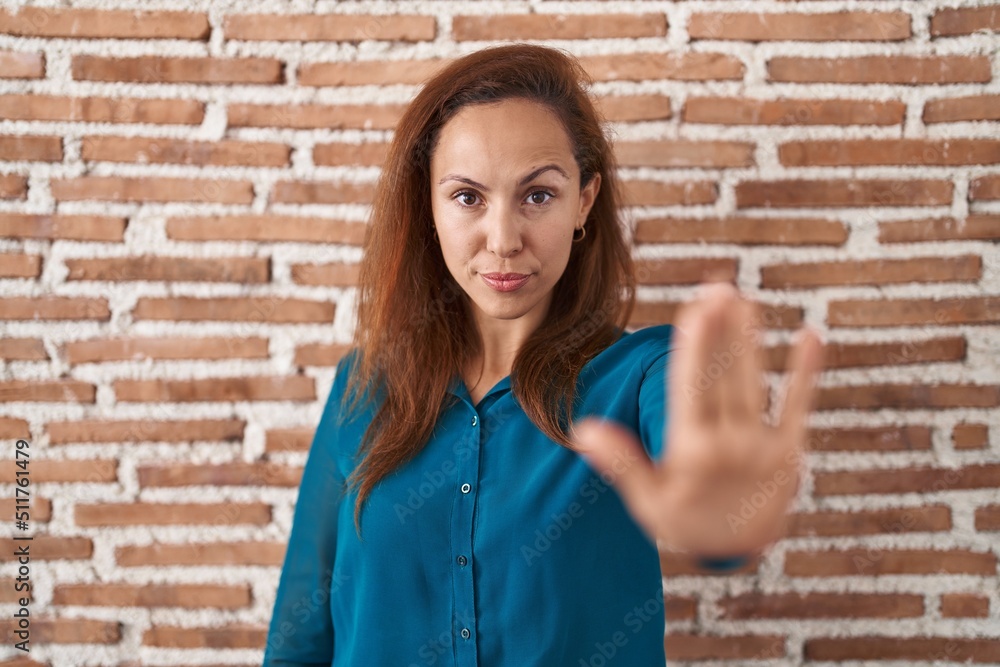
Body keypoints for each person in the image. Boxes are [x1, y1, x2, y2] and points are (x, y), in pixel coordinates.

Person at [262, 43, 824, 666]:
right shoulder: (362, 386)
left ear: (584, 200)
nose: (503, 240)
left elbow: (700, 472)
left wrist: (726, 524)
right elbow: (301, 630)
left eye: (538, 196)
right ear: (428, 205)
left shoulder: (645, 374)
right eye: (468, 197)